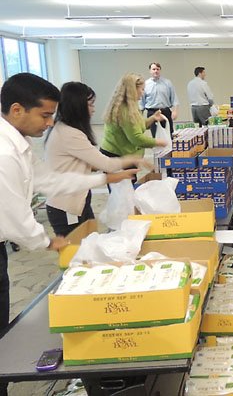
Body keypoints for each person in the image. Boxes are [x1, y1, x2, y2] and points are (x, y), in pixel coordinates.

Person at [0, 73, 136, 392]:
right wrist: (46, 240)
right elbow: (13, 214)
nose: (49, 123)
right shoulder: (5, 153)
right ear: (17, 110)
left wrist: (102, 181)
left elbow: (52, 181)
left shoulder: (18, 146)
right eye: (45, 115)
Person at [45, 82, 149, 236]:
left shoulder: (67, 129)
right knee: (76, 254)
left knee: (89, 247)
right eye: (90, 104)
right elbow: (106, 163)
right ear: (77, 106)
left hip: (78, 200)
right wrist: (132, 160)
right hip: (66, 205)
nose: (93, 109)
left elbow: (89, 165)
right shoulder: (69, 134)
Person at [100, 73, 168, 161]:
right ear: (133, 90)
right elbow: (136, 138)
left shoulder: (131, 106)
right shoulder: (124, 110)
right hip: (117, 156)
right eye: (142, 89)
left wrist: (153, 118)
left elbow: (136, 126)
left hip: (124, 155)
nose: (143, 93)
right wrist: (158, 142)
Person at [140, 62, 179, 137]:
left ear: (160, 70)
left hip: (166, 112)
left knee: (169, 135)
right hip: (152, 113)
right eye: (153, 69)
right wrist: (140, 117)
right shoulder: (145, 84)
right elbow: (141, 102)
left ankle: (170, 148)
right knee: (156, 136)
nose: (156, 71)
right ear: (150, 71)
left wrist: (175, 111)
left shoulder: (167, 83)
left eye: (157, 69)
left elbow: (174, 98)